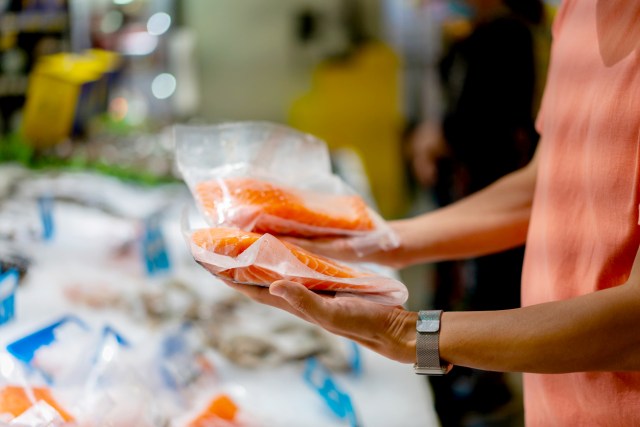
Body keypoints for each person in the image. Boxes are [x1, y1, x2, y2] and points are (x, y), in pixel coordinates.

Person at [200, 0, 640, 424]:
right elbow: (546, 184)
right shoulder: (578, 10)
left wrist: (405, 333)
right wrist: (373, 240)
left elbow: (633, 324)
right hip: (554, 402)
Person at [408, 0, 548, 422]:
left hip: (488, 185)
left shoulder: (511, 34)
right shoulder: (471, 33)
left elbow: (485, 120)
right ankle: (446, 378)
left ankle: (468, 385)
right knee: (455, 284)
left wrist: (439, 137)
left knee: (482, 293)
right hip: (469, 190)